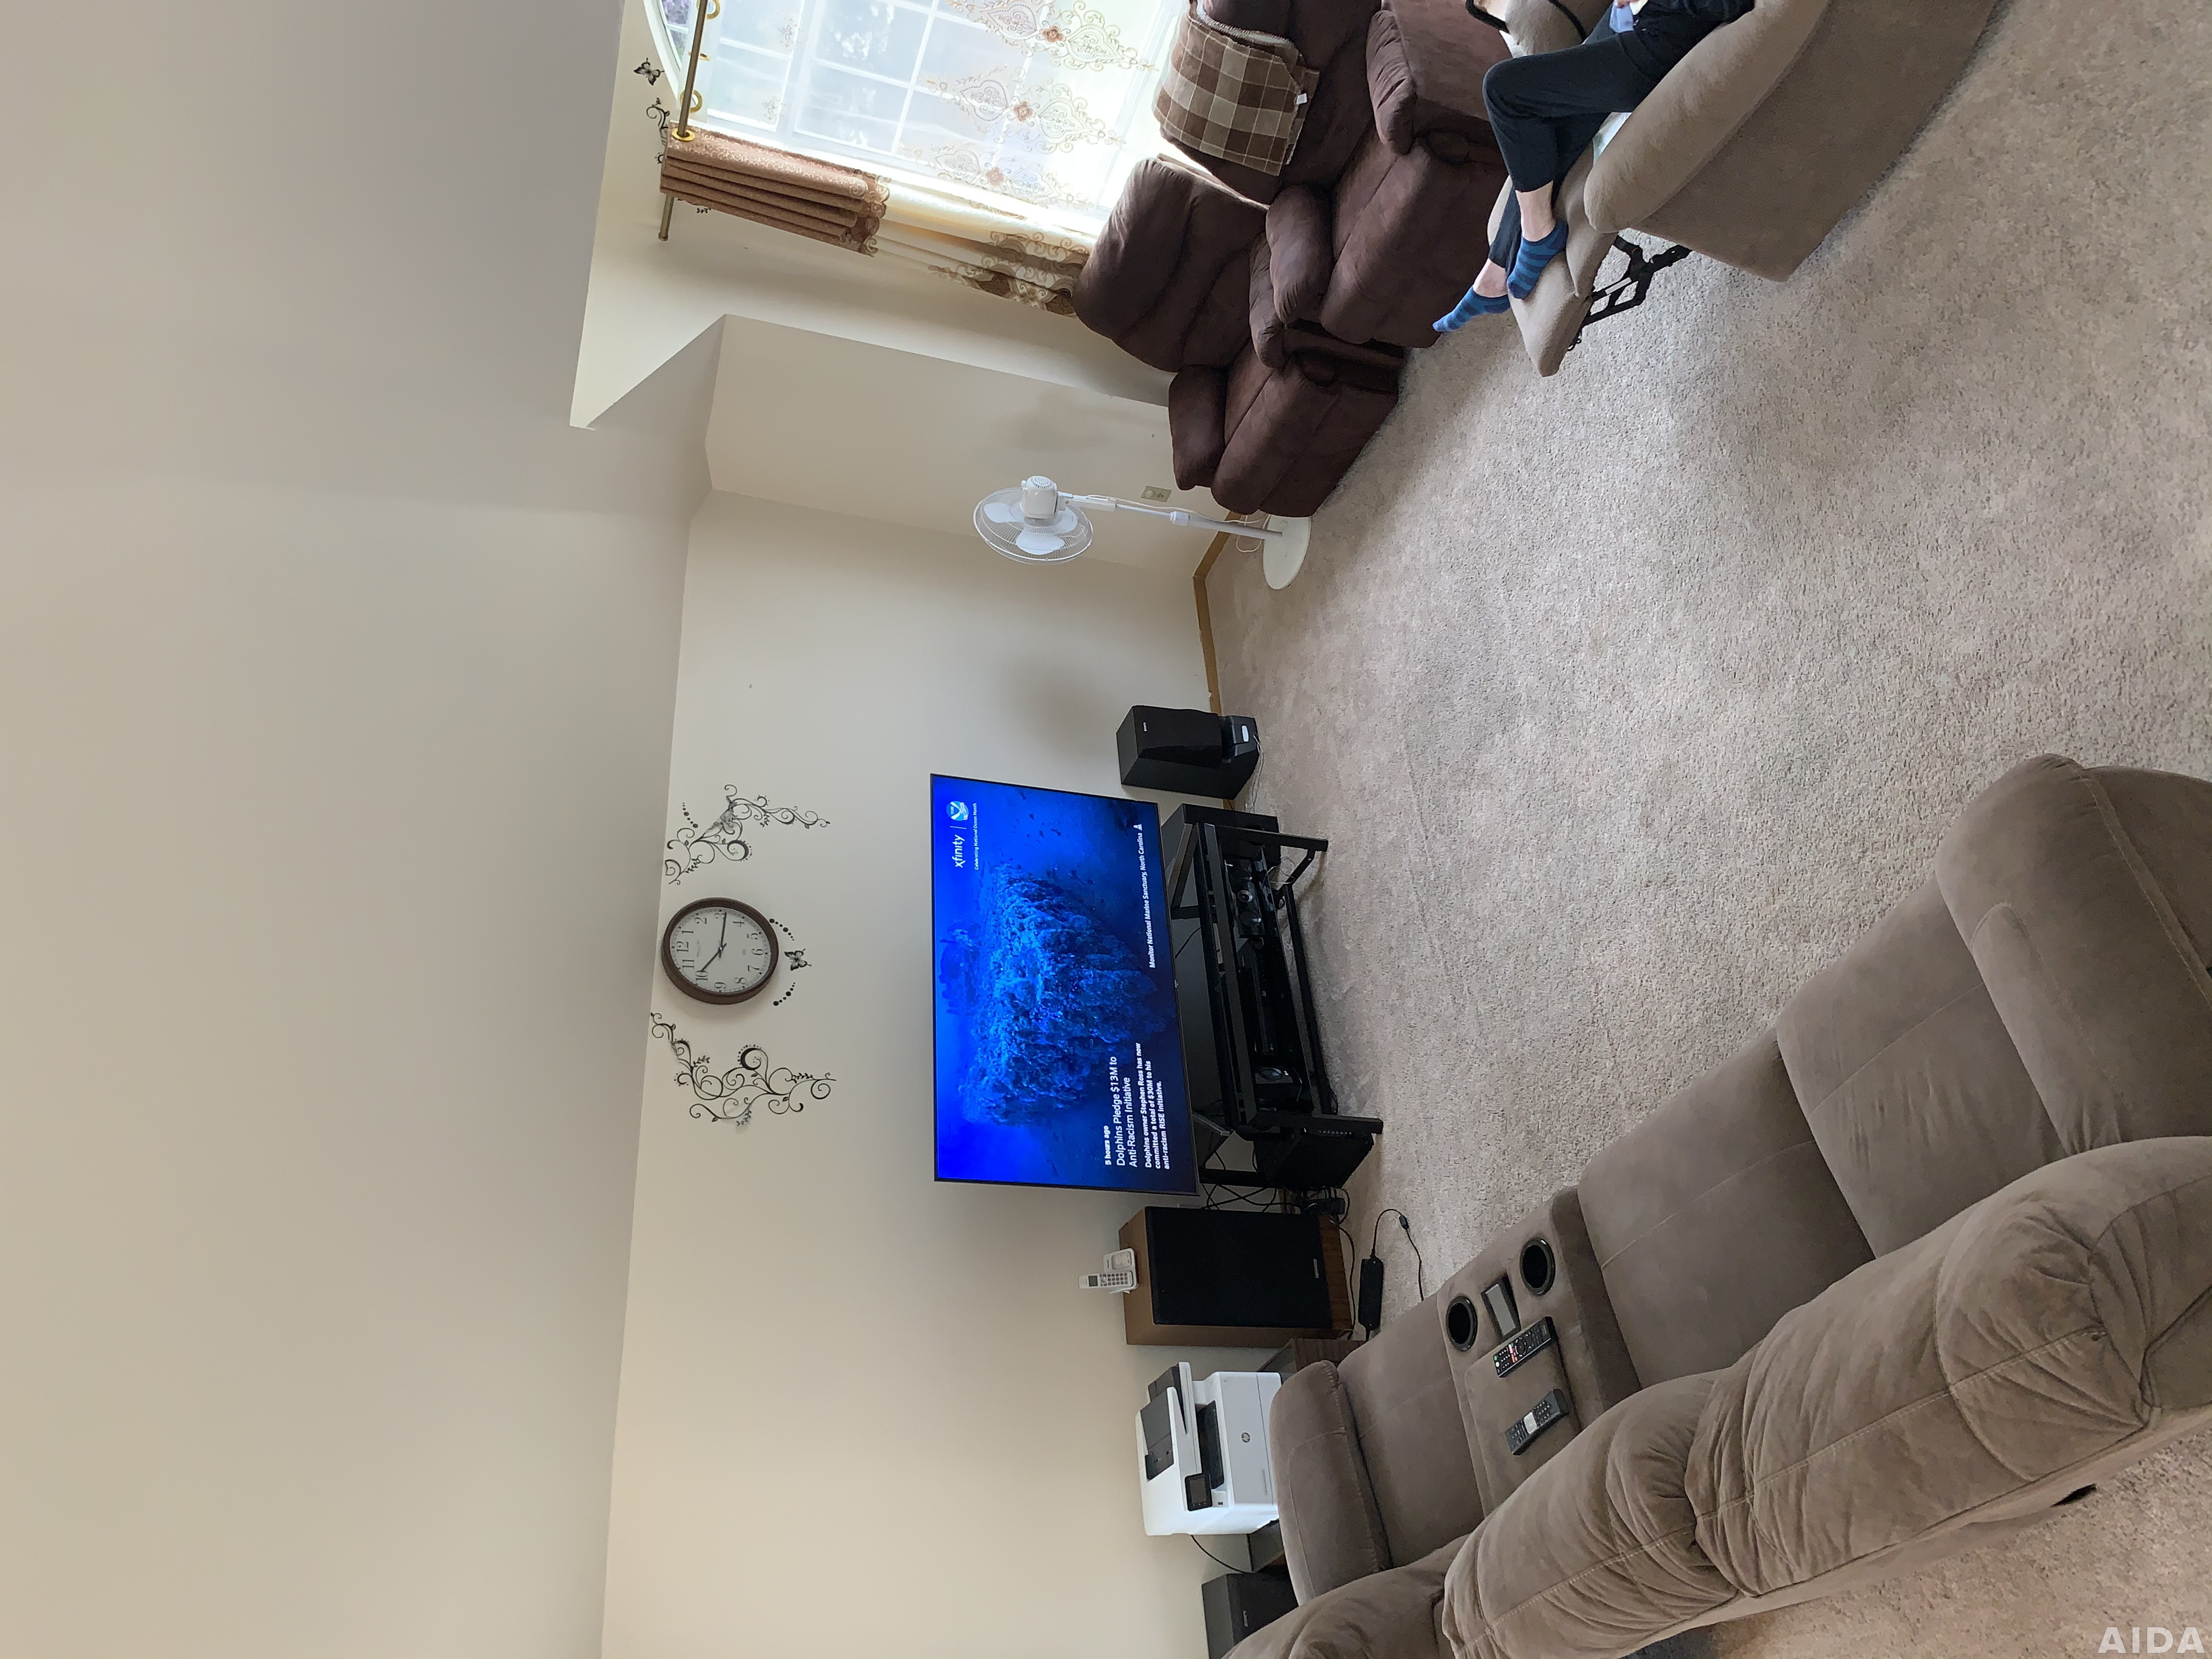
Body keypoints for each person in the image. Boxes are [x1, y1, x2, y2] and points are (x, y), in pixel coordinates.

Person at [1435, 0, 1754, 330]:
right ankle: (1497, 269)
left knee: (1503, 90)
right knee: (1546, 126)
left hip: (1658, 38)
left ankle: (1538, 233)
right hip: (1630, 19)